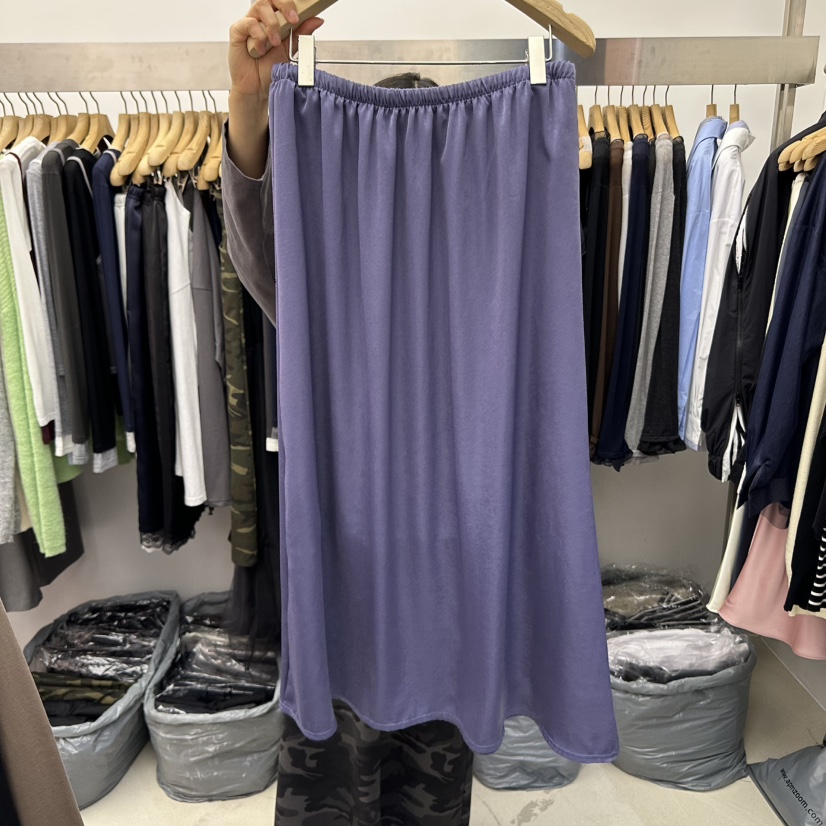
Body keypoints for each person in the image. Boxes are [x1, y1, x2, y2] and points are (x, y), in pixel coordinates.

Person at [225, 4, 473, 824]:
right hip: (342, 569)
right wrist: (251, 104)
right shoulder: (325, 286)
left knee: (433, 779)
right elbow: (260, 245)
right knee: (335, 775)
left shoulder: (481, 289)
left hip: (447, 581)